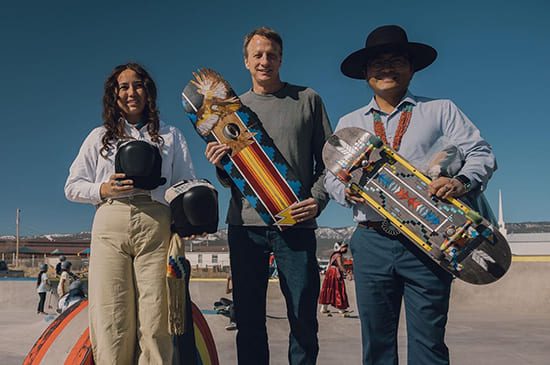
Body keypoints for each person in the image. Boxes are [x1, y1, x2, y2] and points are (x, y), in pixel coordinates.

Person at [324, 25, 497, 365]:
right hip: (371, 241)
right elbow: (329, 178)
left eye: (396, 60)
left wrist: (461, 181)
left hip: (431, 242)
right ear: (365, 73)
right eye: (377, 62)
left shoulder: (441, 110)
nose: (387, 68)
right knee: (376, 345)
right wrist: (346, 190)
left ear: (411, 68)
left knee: (429, 344)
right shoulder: (349, 122)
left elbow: (481, 153)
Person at [204, 26, 333, 364]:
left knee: (303, 317)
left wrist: (317, 200)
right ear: (246, 62)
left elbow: (332, 163)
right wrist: (220, 166)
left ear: (281, 59)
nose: (265, 61)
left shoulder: (307, 100)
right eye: (257, 55)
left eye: (271, 54)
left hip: (296, 223)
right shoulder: (230, 111)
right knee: (248, 320)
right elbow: (233, 179)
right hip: (245, 227)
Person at [65, 62, 196, 364]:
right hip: (111, 220)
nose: (131, 92)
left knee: (157, 314)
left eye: (138, 85)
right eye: (123, 86)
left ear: (148, 91)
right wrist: (103, 189)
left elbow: (185, 183)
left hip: (156, 222)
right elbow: (72, 186)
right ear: (114, 94)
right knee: (111, 314)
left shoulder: (171, 136)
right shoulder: (99, 137)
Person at [318, 242, 352, 315]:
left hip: (330, 273)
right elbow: (340, 265)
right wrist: (346, 273)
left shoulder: (334, 255)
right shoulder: (338, 255)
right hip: (334, 273)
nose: (346, 249)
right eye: (344, 247)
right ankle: (341, 309)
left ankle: (324, 308)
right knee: (339, 289)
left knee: (328, 289)